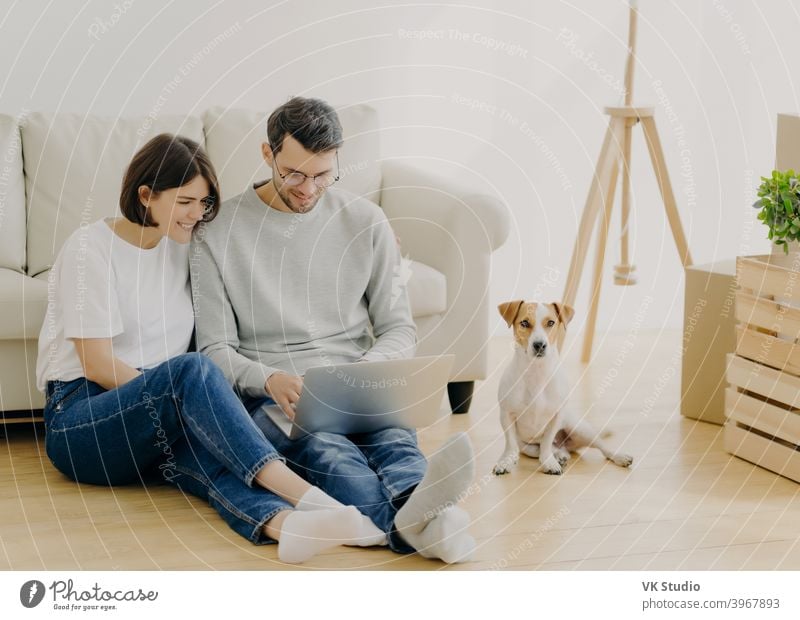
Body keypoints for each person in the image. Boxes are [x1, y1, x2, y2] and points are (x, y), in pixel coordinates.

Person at [36, 133, 387, 564]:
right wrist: (177, 396)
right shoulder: (90, 248)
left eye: (204, 203)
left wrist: (384, 248)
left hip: (153, 416)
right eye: (185, 202)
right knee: (194, 371)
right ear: (146, 195)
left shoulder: (184, 246)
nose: (197, 215)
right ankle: (313, 498)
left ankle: (288, 527)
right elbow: (97, 363)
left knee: (217, 458)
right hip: (82, 422)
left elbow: (259, 251)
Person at [191, 97, 476, 563]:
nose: (308, 189)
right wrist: (268, 379)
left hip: (358, 380)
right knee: (329, 454)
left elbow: (398, 328)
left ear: (338, 159)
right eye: (294, 174)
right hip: (279, 392)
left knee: (396, 443)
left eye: (323, 174)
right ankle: (424, 524)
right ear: (268, 155)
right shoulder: (217, 230)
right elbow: (214, 349)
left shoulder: (365, 221)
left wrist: (369, 369)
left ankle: (415, 512)